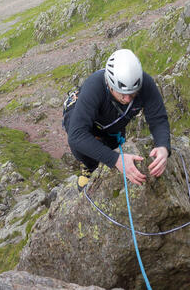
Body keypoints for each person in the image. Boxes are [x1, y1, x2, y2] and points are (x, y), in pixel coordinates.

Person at [63, 48, 170, 190]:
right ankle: (89, 167)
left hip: (113, 122)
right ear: (110, 84)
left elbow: (158, 118)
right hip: (83, 116)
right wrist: (116, 160)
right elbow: (76, 136)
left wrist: (163, 146)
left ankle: (109, 143)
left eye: (132, 94)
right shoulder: (95, 86)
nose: (127, 99)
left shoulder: (146, 85)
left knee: (112, 142)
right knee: (81, 141)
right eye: (122, 94)